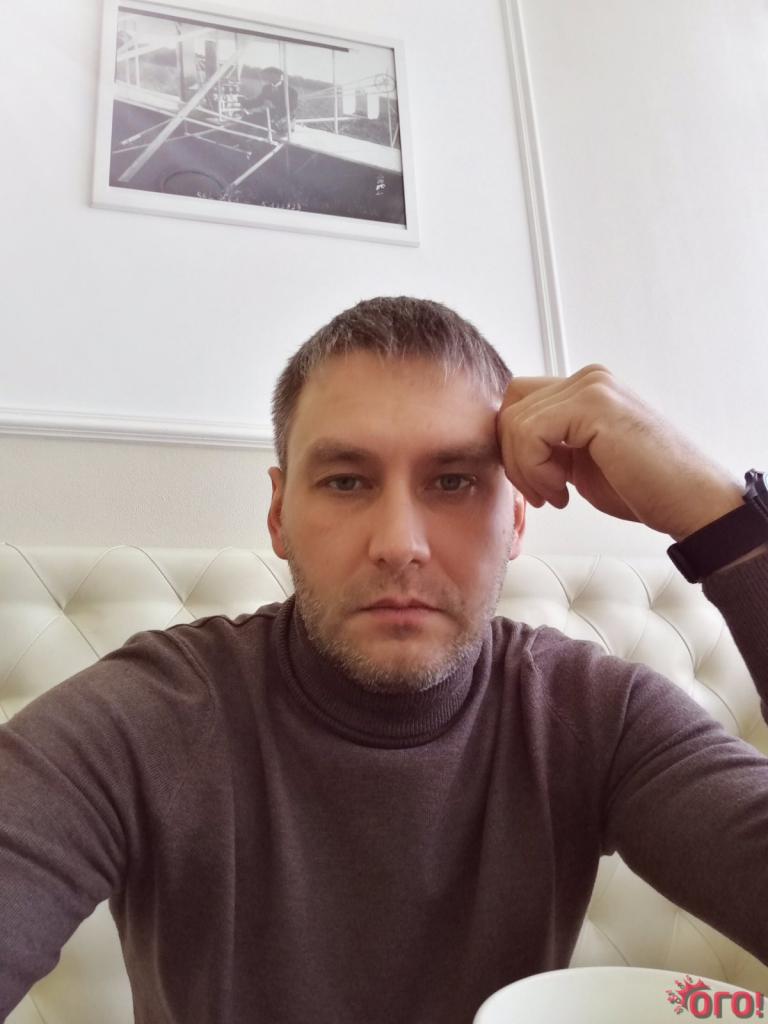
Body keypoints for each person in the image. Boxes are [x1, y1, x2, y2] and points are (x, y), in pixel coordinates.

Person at [1, 296, 767, 1023]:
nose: (400, 543)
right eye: (346, 481)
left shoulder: (597, 716)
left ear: (516, 519)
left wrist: (723, 520)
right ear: (278, 513)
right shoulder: (146, 717)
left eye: (454, 481)